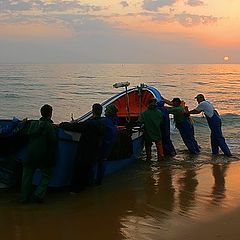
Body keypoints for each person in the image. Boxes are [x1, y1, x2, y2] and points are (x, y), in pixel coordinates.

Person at [60, 103, 105, 192]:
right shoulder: (102, 124)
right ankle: (85, 189)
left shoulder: (89, 124)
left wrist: (61, 124)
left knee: (79, 170)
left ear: (92, 111)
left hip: (85, 151)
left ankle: (75, 191)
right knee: (87, 170)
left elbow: (74, 127)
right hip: (95, 151)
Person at [20, 104, 57, 203]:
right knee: (47, 175)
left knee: (26, 177)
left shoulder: (32, 124)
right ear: (50, 114)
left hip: (30, 155)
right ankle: (38, 194)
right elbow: (53, 141)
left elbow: (25, 133)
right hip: (43, 156)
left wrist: (23, 123)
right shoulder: (49, 126)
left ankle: (24, 198)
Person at [96, 104, 119, 185]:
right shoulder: (115, 120)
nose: (105, 111)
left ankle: (97, 182)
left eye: (106, 110)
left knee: (100, 161)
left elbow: (94, 124)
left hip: (104, 145)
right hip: (109, 145)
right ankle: (99, 181)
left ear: (109, 112)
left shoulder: (105, 121)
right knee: (103, 161)